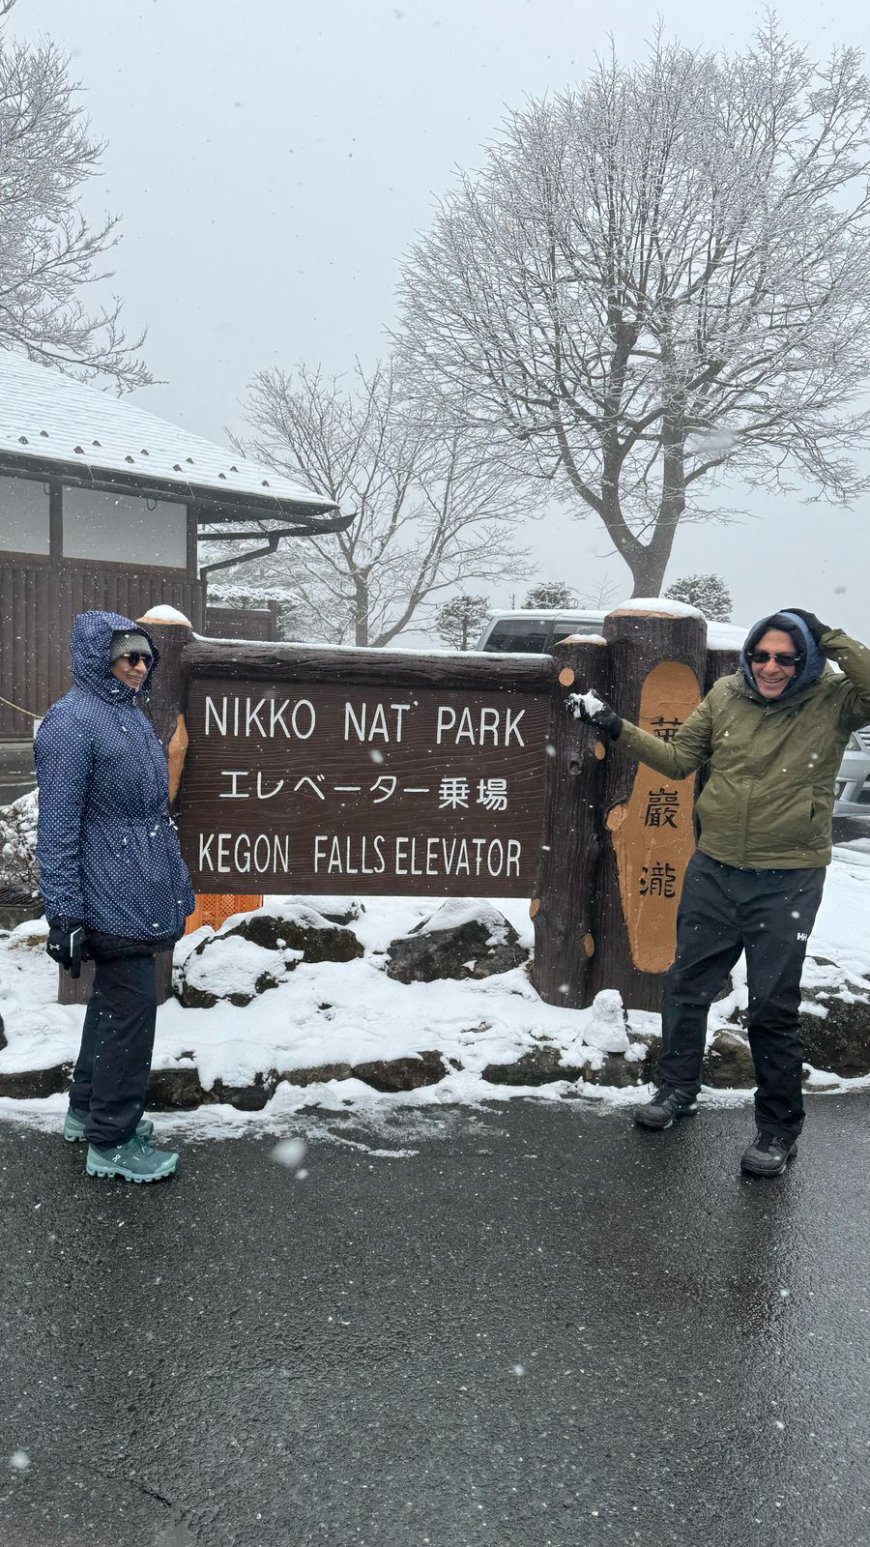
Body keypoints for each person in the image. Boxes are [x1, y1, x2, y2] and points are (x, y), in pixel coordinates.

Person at [575, 608, 870, 1176]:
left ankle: (778, 1129)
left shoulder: (832, 699)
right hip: (714, 869)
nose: (771, 667)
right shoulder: (727, 694)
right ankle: (676, 1089)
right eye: (761, 655)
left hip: (787, 877)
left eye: (786, 657)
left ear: (807, 658)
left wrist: (829, 635)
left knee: (772, 1007)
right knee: (686, 988)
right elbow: (678, 760)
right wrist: (615, 725)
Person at [35, 610, 195, 1183]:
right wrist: (65, 914)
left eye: (145, 657)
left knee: (111, 1006)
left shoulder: (125, 713)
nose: (138, 666)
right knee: (130, 1014)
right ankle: (112, 1139)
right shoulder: (72, 722)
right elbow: (57, 827)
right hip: (106, 894)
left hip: (136, 885)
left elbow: (146, 813)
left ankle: (86, 1112)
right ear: (98, 658)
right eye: (128, 655)